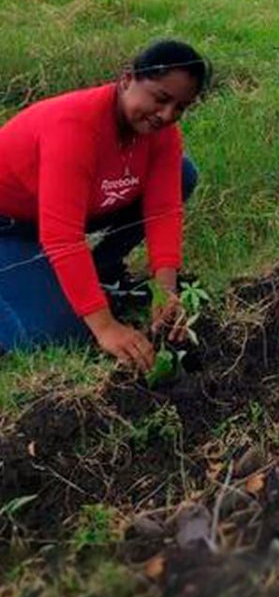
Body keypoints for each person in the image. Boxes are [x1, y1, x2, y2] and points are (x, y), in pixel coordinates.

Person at [0, 41, 209, 369]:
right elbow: (62, 238)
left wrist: (164, 292)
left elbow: (164, 210)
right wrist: (106, 326)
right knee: (59, 336)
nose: (167, 115)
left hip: (60, 213)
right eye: (161, 98)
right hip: (9, 225)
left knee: (183, 173)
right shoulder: (74, 128)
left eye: (181, 107)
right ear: (127, 79)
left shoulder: (163, 135)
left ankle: (100, 272)